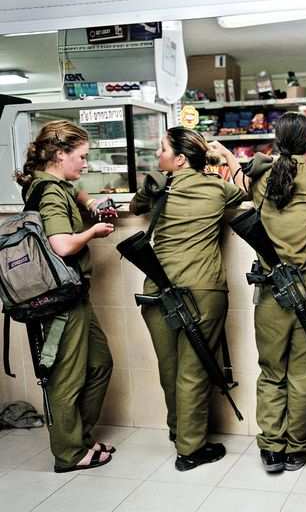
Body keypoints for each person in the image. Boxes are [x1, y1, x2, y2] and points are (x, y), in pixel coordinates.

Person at [130, 127, 247, 471]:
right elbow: (243, 191)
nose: (158, 154)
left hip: (157, 292)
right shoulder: (214, 187)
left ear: (179, 159)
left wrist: (154, 184)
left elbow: (136, 206)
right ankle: (190, 449)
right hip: (202, 290)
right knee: (193, 371)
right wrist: (225, 156)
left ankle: (179, 431)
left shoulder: (158, 188)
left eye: (163, 149)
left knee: (170, 369)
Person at [17, 120, 115, 473]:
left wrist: (89, 201)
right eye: (82, 157)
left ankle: (81, 439)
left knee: (100, 364)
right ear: (60, 155)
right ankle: (70, 454)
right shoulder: (51, 191)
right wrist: (93, 231)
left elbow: (74, 192)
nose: (85, 165)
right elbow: (60, 245)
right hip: (61, 301)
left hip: (74, 296)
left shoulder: (49, 183)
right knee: (67, 378)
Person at [244, 112, 306, 473]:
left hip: (270, 293)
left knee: (271, 371)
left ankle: (271, 448)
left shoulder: (260, 179)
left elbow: (245, 178)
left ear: (275, 144)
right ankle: (298, 447)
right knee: (305, 374)